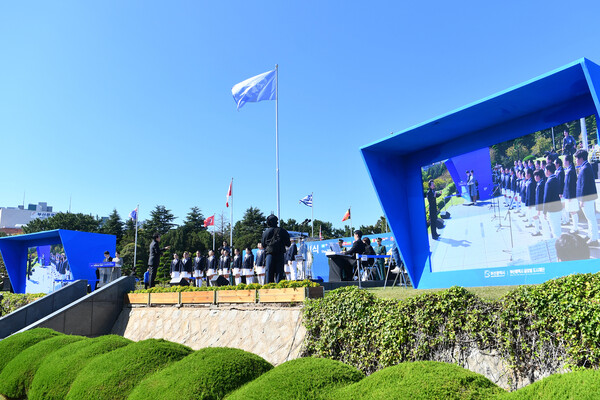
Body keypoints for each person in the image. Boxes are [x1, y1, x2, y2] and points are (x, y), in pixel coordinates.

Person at [575, 149, 599, 246]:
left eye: (576, 158)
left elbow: (584, 186)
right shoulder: (585, 166)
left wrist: (582, 200)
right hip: (588, 198)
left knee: (591, 218)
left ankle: (594, 239)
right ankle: (590, 235)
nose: (576, 160)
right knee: (589, 218)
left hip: (587, 198)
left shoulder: (585, 168)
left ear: (581, 158)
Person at [261, 214, 291, 283]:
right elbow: (288, 244)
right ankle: (279, 287)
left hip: (269, 254)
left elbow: (263, 244)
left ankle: (269, 287)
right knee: (279, 273)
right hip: (280, 254)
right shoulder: (283, 231)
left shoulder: (266, 232)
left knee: (269, 273)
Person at [543, 163, 562, 238]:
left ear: (548, 171)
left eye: (545, 170)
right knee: (558, 228)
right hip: (558, 207)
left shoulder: (549, 182)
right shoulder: (556, 179)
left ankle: (557, 244)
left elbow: (546, 198)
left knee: (554, 230)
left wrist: (544, 211)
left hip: (552, 209)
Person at [563, 155, 580, 234]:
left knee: (573, 212)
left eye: (564, 161)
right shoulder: (569, 170)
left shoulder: (570, 171)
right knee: (572, 212)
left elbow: (570, 185)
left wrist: (569, 196)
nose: (563, 162)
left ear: (568, 161)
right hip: (569, 195)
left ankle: (575, 228)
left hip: (571, 195)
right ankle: (574, 227)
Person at [532, 169, 546, 237]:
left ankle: (546, 236)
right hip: (539, 206)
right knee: (537, 218)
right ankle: (538, 231)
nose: (535, 177)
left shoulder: (541, 184)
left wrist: (539, 209)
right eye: (535, 176)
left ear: (539, 176)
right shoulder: (539, 183)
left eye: (536, 176)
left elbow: (540, 198)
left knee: (543, 222)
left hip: (541, 207)